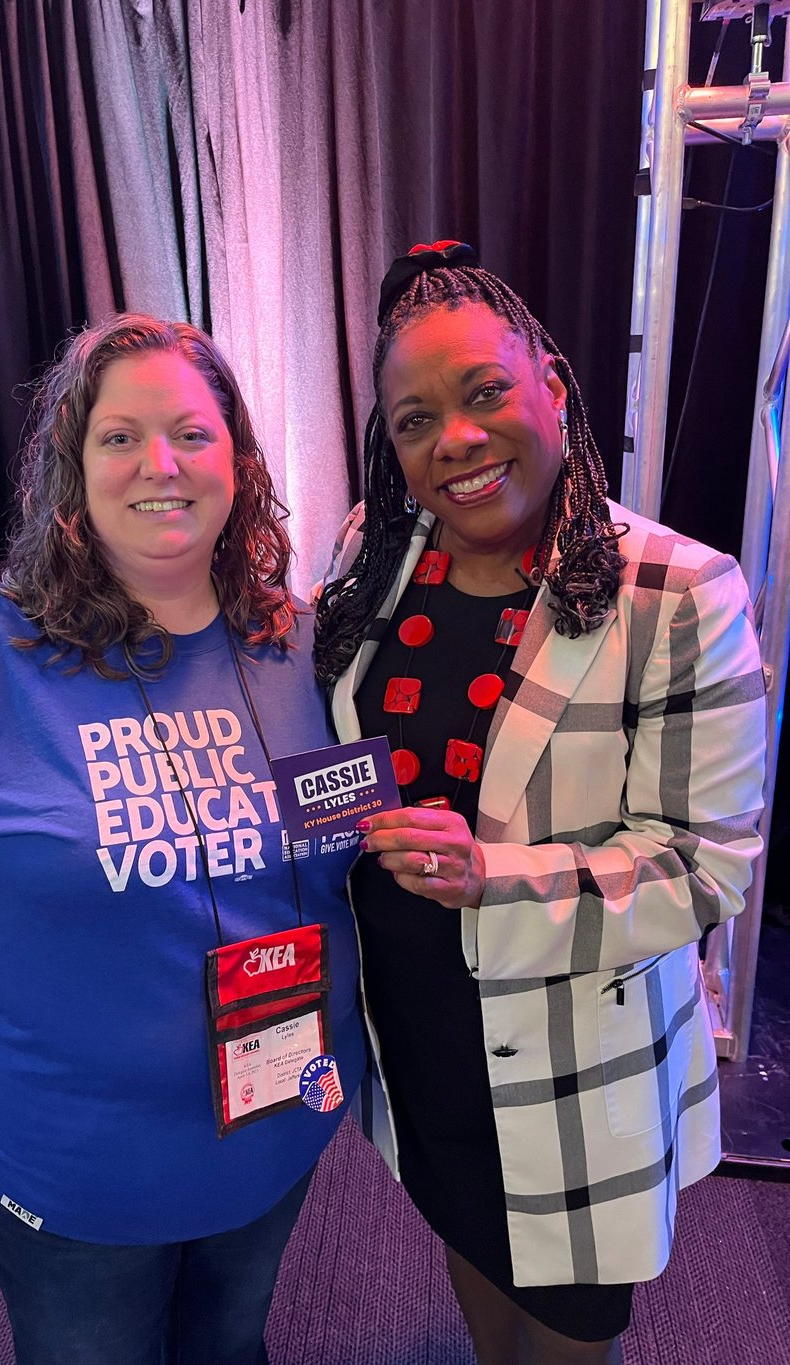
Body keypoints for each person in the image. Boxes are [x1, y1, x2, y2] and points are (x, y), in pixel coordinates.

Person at [0, 315, 366, 1365]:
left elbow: (334, 840)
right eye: (120, 437)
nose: (159, 465)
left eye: (190, 433)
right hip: (78, 1159)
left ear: (238, 460)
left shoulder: (301, 644)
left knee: (231, 1343)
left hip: (277, 1117)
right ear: (72, 471)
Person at [313, 241, 767, 1365]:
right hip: (413, 1019)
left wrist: (491, 877)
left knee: (567, 1326)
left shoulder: (676, 591)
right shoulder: (376, 552)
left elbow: (706, 865)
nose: (454, 441)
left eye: (482, 394)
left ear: (553, 387)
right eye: (413, 420)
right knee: (469, 1246)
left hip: (572, 1046)